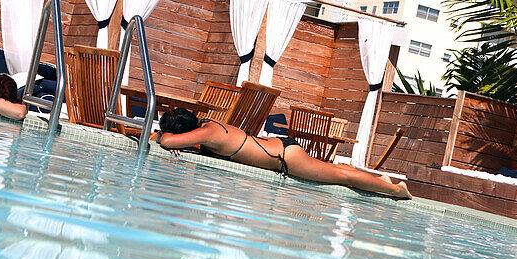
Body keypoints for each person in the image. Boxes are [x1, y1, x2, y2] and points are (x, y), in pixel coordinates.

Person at [156, 107, 412, 200]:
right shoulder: (210, 125)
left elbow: (167, 141)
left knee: (341, 176)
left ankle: (395, 189)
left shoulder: (207, 134)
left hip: (285, 159)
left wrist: (162, 137)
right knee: (337, 170)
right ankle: (382, 181)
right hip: (281, 147)